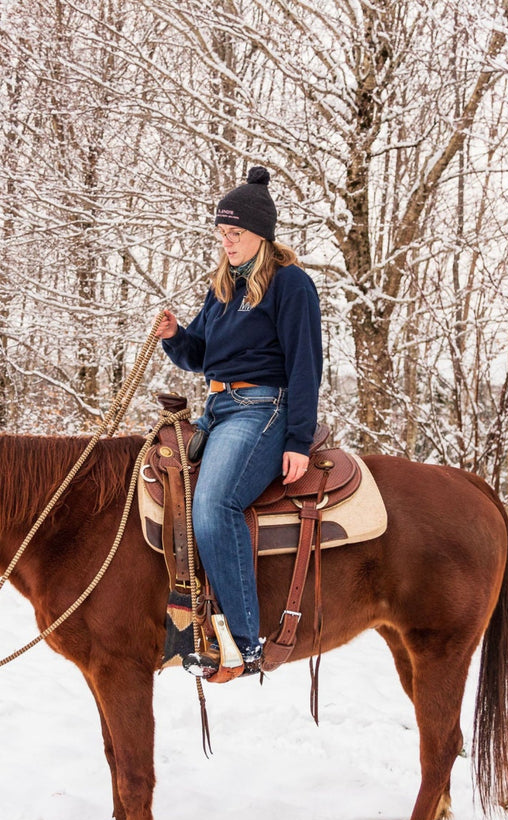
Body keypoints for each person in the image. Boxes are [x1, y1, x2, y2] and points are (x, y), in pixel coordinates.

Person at [153, 166, 323, 681]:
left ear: (261, 236)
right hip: (217, 409)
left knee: (213, 504)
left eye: (236, 234)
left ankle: (243, 643)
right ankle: (185, 619)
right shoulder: (223, 288)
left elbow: (305, 365)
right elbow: (200, 357)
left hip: (262, 410)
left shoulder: (291, 285)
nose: (226, 242)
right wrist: (175, 335)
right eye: (222, 234)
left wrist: (296, 439)